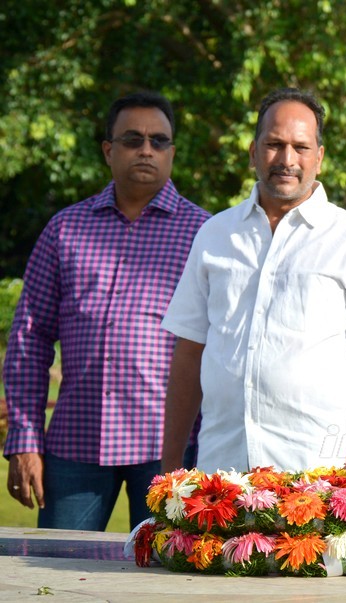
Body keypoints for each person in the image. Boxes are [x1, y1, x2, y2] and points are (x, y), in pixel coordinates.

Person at [160, 88, 346, 475]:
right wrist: (172, 462)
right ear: (253, 152)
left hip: (317, 477)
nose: (287, 159)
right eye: (275, 144)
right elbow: (189, 351)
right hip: (221, 474)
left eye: (301, 147)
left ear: (320, 158)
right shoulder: (214, 235)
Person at [3, 91, 210, 531]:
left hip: (171, 447)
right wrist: (23, 438)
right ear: (108, 149)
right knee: (55, 580)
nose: (146, 150)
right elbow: (29, 339)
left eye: (159, 141)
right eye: (133, 139)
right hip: (76, 443)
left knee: (169, 585)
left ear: (172, 151)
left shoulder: (206, 235)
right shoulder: (66, 229)